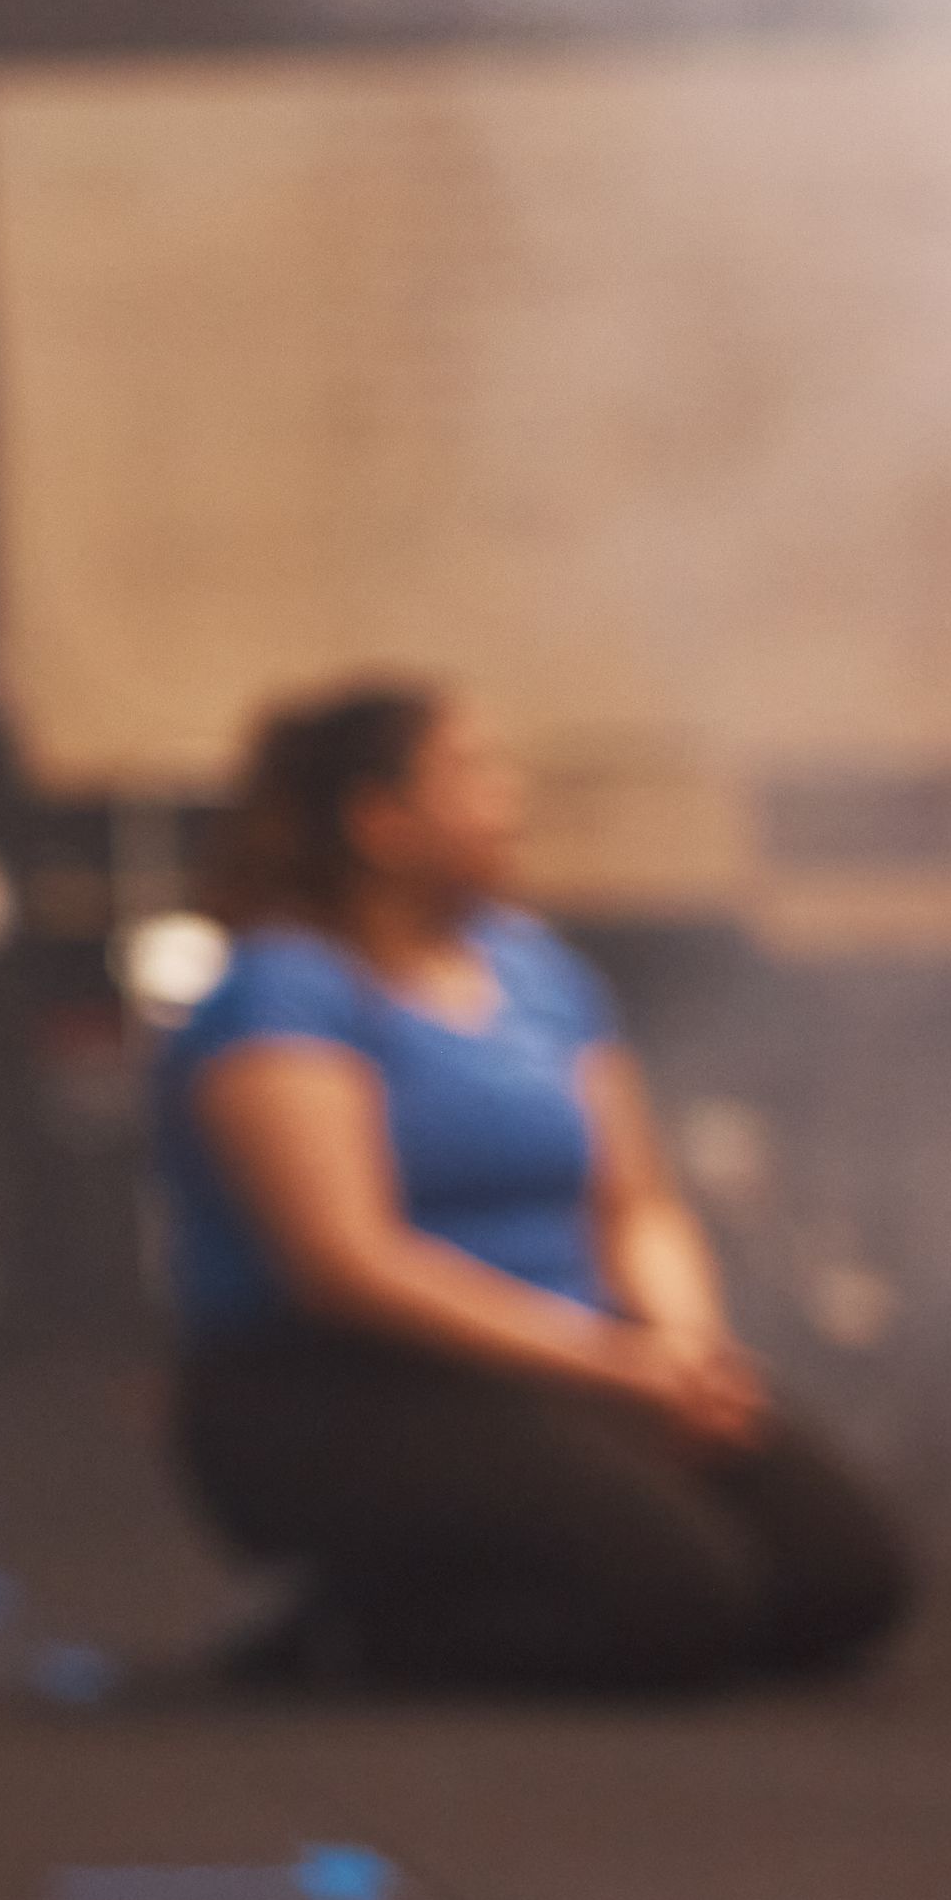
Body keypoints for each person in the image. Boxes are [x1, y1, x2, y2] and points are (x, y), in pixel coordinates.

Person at [153, 676, 907, 1691]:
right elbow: (348, 1264)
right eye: (470, 773)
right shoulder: (284, 987)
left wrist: (683, 1350)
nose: (507, 801)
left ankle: (497, 1565)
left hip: (565, 1369)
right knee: (679, 1601)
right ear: (381, 822)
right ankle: (342, 1632)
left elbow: (636, 1201)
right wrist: (609, 1366)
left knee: (845, 1576)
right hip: (336, 1391)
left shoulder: (538, 973)